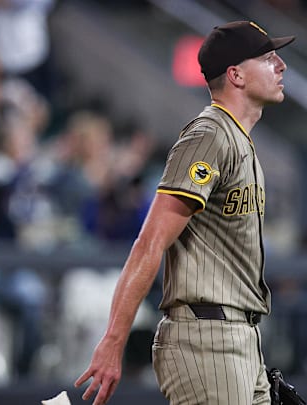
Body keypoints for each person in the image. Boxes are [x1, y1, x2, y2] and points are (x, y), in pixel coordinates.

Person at [74, 21, 295, 405]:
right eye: (267, 57)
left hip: (239, 338)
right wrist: (113, 341)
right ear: (236, 74)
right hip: (208, 339)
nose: (281, 65)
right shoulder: (209, 135)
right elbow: (150, 242)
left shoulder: (238, 140)